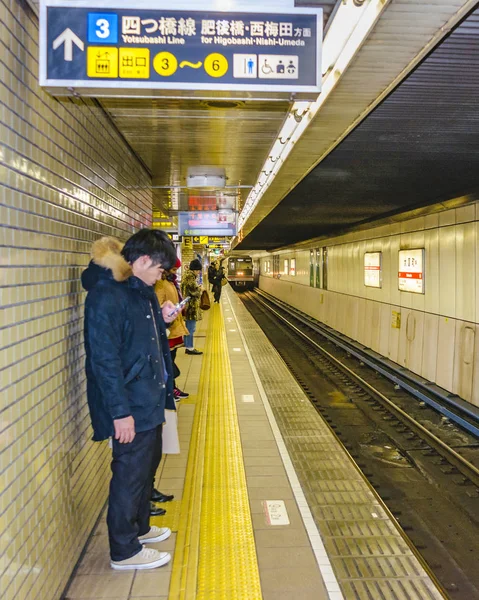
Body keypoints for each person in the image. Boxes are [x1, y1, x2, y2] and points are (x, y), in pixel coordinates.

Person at [81, 230, 180, 571]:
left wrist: (163, 319)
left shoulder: (139, 292)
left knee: (145, 467)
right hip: (130, 405)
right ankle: (124, 551)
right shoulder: (108, 295)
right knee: (129, 475)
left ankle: (140, 529)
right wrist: (119, 413)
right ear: (141, 262)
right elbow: (104, 359)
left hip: (147, 398)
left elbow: (141, 340)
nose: (161, 276)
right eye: (159, 269)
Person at [155, 257, 190, 401]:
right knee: (168, 361)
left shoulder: (171, 282)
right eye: (174, 269)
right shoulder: (161, 284)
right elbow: (158, 304)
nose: (176, 272)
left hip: (174, 327)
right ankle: (169, 390)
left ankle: (173, 388)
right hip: (168, 330)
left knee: (171, 358)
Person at [181, 259, 203, 356]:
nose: (199, 273)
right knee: (190, 328)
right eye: (198, 270)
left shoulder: (188, 276)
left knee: (188, 327)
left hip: (188, 305)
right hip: (190, 306)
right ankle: (189, 347)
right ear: (194, 269)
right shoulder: (190, 277)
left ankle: (187, 345)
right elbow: (194, 291)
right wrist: (200, 289)